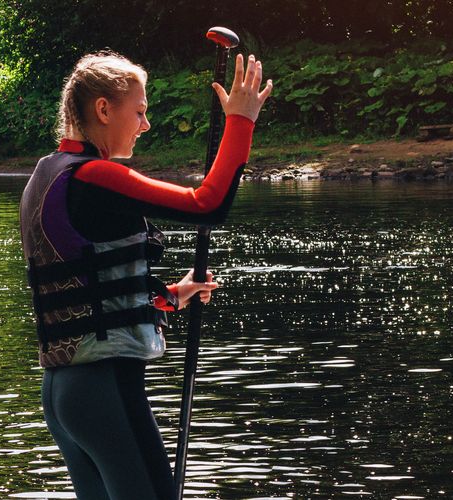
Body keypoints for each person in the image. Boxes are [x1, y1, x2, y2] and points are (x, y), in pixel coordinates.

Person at [18, 52, 270, 499]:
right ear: (102, 109)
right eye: (139, 111)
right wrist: (241, 121)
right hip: (105, 387)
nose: (145, 124)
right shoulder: (96, 177)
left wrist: (171, 295)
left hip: (63, 395)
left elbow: (86, 295)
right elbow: (206, 204)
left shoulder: (44, 175)